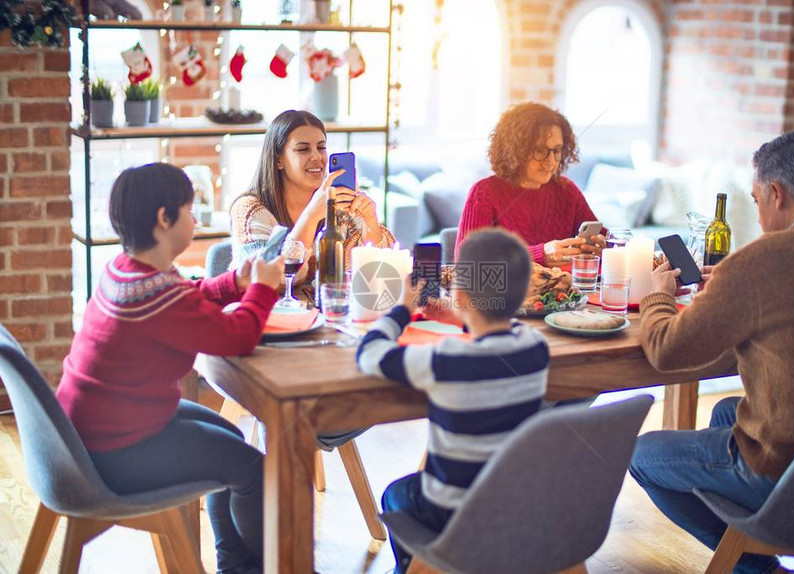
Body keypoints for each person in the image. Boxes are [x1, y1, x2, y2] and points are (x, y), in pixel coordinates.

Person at [629, 130, 794, 574]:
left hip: (788, 480)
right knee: (725, 415)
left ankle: (762, 569)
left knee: (641, 456)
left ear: (775, 193)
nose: (757, 214)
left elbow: (664, 350)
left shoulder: (761, 260)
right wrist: (732, 289)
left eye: (755, 201)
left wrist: (656, 295)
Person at [56, 163, 284, 574]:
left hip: (92, 433)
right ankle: (273, 567)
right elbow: (237, 336)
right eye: (190, 210)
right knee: (253, 470)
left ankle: (236, 564)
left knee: (231, 438)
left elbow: (186, 299)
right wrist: (264, 290)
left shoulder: (125, 270)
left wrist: (235, 284)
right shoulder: (157, 293)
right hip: (116, 452)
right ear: (164, 219)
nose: (196, 219)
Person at [357, 229, 550, 573]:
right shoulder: (535, 347)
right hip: (516, 503)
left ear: (458, 294)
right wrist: (461, 316)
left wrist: (401, 310)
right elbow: (495, 338)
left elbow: (370, 354)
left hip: (452, 510)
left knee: (395, 496)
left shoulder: (446, 359)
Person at [231, 109, 396, 291]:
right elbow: (265, 279)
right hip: (268, 314)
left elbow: (378, 273)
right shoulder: (250, 209)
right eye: (303, 149)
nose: (317, 157)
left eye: (321, 147)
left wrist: (369, 222)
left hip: (328, 314)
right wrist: (311, 215)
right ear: (279, 160)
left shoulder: (340, 205)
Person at [455, 102, 606, 268]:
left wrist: (603, 248)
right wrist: (539, 255)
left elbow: (605, 239)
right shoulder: (484, 193)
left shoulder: (567, 190)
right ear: (515, 150)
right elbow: (467, 261)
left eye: (556, 150)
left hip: (564, 292)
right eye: (539, 151)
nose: (550, 162)